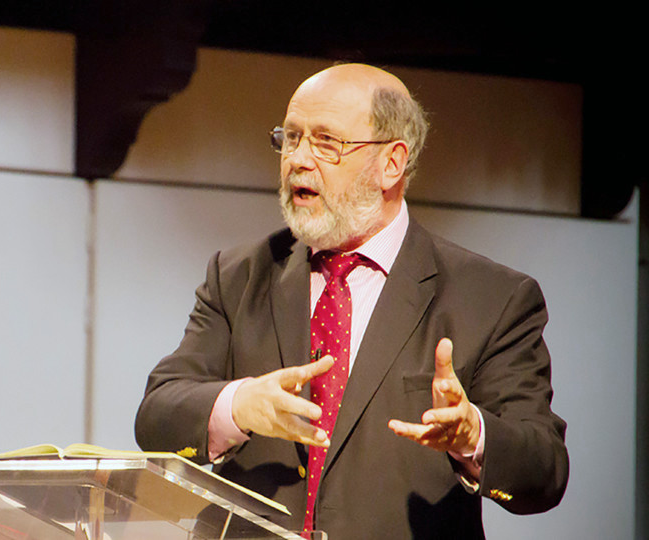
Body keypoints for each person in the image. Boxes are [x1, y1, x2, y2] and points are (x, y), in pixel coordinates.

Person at [134, 63, 568, 539]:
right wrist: (238, 405)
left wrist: (473, 437)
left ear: (391, 164)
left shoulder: (492, 298)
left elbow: (544, 471)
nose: (298, 160)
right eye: (291, 138)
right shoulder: (239, 276)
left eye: (326, 142)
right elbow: (157, 418)